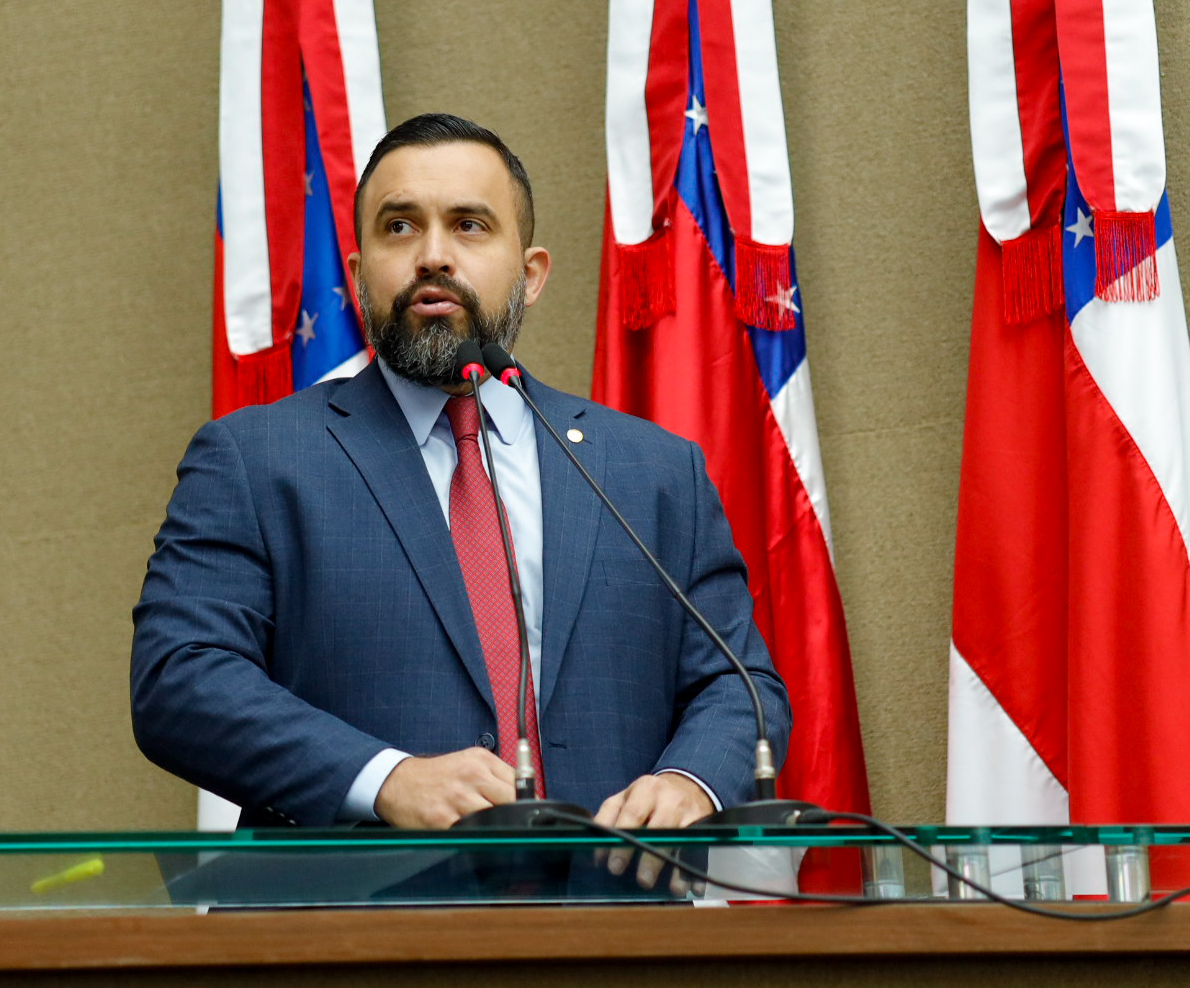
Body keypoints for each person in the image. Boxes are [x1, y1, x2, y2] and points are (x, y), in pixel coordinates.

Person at [131, 113, 789, 854]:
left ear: (531, 274)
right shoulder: (256, 460)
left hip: (609, 933)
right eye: (400, 228)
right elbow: (180, 682)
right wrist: (384, 779)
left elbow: (738, 684)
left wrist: (688, 782)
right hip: (351, 941)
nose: (433, 256)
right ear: (356, 275)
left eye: (469, 226)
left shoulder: (651, 472)